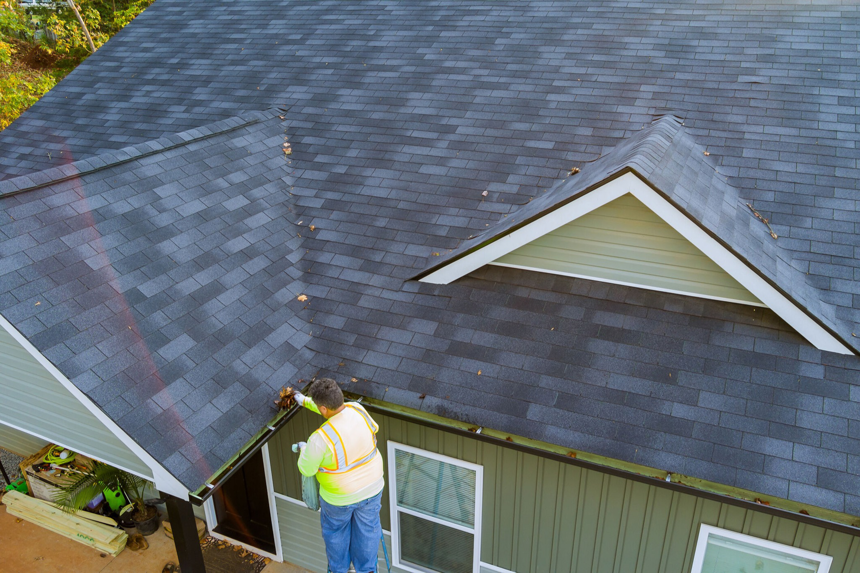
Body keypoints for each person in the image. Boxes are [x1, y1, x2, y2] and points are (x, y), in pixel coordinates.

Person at [291, 379, 384, 573]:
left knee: (336, 534)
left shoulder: (319, 439)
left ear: (323, 408)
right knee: (368, 530)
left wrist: (304, 449)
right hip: (372, 488)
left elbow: (306, 469)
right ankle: (367, 570)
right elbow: (337, 414)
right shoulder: (357, 410)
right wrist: (303, 401)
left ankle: (339, 570)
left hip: (339, 499)